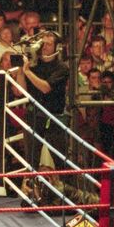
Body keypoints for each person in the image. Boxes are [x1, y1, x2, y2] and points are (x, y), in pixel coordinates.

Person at [11, 31, 69, 169]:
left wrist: (28, 72)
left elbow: (45, 88)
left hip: (54, 117)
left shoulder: (62, 67)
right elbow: (21, 92)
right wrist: (21, 70)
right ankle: (32, 186)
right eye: (42, 43)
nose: (45, 47)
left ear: (57, 47)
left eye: (49, 44)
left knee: (60, 159)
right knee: (31, 160)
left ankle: (65, 187)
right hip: (34, 115)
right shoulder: (33, 65)